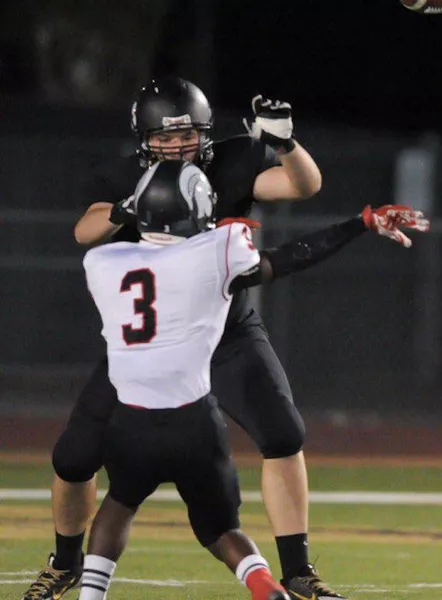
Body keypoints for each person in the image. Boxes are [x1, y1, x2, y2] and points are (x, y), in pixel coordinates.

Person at [22, 76, 341, 600]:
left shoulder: (233, 162)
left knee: (284, 433)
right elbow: (83, 229)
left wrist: (285, 143)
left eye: (186, 135)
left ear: (206, 133)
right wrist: (128, 207)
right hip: (154, 346)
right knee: (74, 458)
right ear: (142, 137)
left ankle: (298, 570)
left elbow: (302, 185)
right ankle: (65, 561)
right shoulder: (123, 175)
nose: (175, 146)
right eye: (164, 138)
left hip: (228, 330)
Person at [76, 160, 428, 600]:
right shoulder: (219, 249)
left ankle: (91, 595)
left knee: (119, 503)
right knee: (223, 529)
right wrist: (359, 224)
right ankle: (264, 583)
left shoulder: (101, 261)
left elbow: (150, 264)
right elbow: (290, 257)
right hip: (195, 422)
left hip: (131, 420)